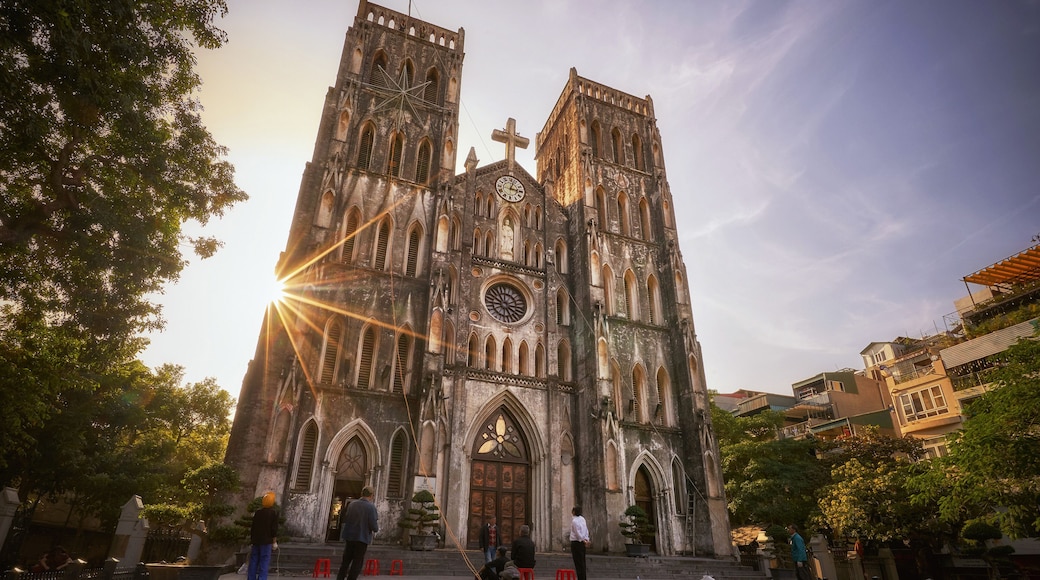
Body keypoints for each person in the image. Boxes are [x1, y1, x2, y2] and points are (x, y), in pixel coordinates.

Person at [337, 487, 379, 580]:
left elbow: (346, 518)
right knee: (357, 562)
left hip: (349, 537)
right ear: (371, 495)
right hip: (362, 538)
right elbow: (374, 526)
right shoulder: (371, 507)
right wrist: (375, 528)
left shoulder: (352, 504)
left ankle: (340, 578)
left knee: (345, 561)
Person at [248, 492, 279, 580]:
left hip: (256, 541)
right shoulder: (273, 513)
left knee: (253, 561)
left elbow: (253, 527)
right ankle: (262, 578)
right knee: (264, 561)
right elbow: (274, 529)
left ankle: (251, 578)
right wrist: (274, 541)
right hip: (266, 541)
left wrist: (252, 540)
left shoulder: (258, 512)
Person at [569, 506, 590, 580]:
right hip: (582, 542)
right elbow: (586, 530)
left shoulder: (574, 521)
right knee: (582, 562)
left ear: (574, 512)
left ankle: (580, 578)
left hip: (576, 542)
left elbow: (577, 533)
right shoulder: (582, 519)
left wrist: (583, 540)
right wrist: (586, 539)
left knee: (578, 562)